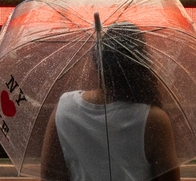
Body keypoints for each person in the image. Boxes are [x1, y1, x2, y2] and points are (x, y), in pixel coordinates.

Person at [40, 22, 180, 181]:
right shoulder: (154, 120)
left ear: (96, 61)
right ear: (141, 63)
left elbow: (50, 176)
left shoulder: (65, 111)